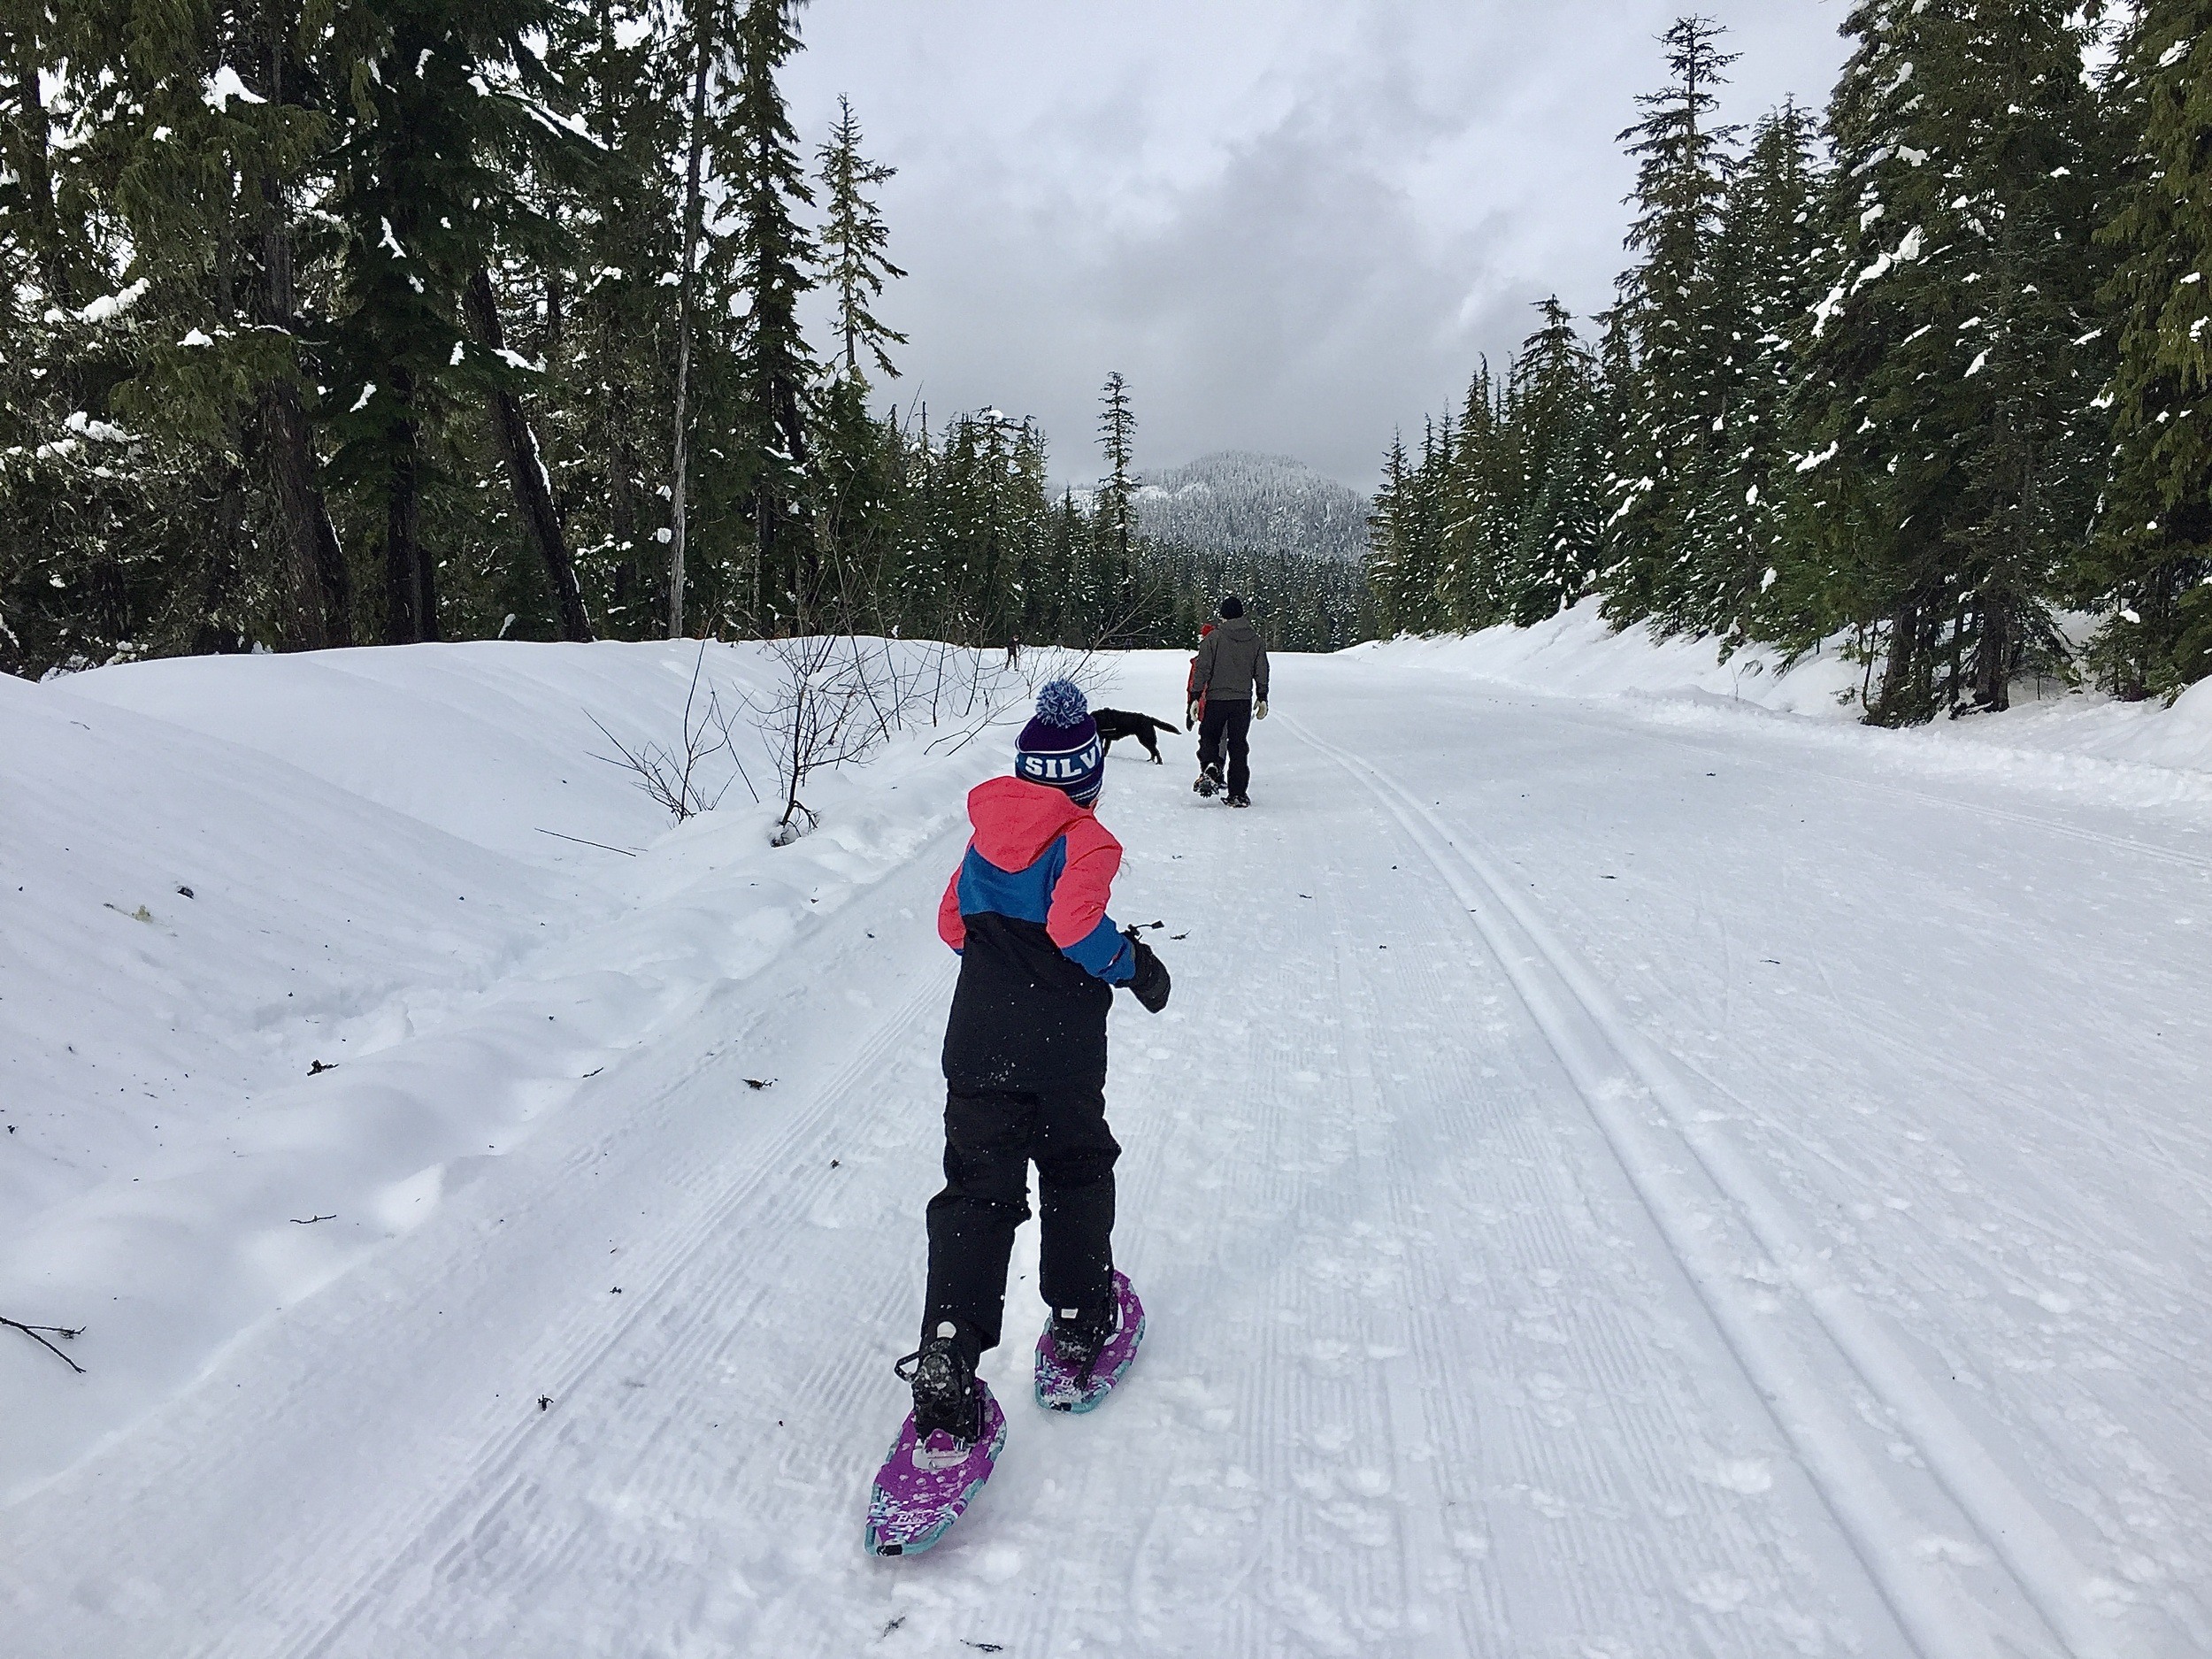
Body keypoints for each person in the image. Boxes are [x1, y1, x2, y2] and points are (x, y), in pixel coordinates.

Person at [895, 679, 1171, 1454]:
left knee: (976, 1192)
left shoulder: (985, 835)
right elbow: (1075, 926)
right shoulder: (1086, 839)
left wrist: (1000, 963)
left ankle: (949, 1348)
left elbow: (952, 924)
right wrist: (1133, 964)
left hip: (977, 1048)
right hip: (1060, 1053)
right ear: (1088, 781)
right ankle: (1080, 1320)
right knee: (1076, 1169)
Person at [1187, 595, 1270, 807]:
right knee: (1238, 745)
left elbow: (1202, 669)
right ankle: (1238, 794)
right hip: (1242, 701)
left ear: (1223, 616)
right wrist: (1262, 696)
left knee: (1209, 736)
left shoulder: (1213, 638)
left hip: (1217, 699)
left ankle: (1211, 766)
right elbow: (1262, 670)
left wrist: (1195, 696)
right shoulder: (1255, 640)